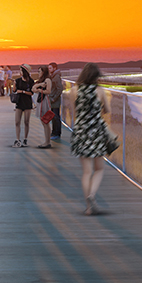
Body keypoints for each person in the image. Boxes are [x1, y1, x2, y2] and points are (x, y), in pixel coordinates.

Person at [70, 62, 113, 215]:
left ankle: (88, 208)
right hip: (96, 132)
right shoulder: (99, 91)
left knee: (86, 172)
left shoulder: (74, 90)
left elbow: (74, 112)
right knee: (99, 168)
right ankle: (92, 194)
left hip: (81, 132)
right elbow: (107, 110)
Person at [12, 64, 35, 147]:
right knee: (17, 122)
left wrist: (22, 92)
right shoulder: (18, 80)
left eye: (21, 71)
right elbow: (14, 90)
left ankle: (25, 139)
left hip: (27, 103)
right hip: (19, 103)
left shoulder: (31, 81)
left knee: (26, 122)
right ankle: (18, 139)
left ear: (24, 72)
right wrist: (14, 84)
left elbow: (31, 93)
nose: (20, 72)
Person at [32, 66, 53, 148]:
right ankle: (46, 141)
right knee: (43, 121)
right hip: (41, 101)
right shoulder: (41, 81)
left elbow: (48, 91)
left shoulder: (47, 80)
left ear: (43, 72)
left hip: (44, 101)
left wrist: (39, 90)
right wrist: (40, 85)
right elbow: (33, 88)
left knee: (45, 122)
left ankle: (47, 142)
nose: (38, 73)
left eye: (39, 71)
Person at [48, 62, 64, 140]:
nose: (49, 69)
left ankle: (57, 133)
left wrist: (54, 98)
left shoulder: (56, 77)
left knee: (56, 117)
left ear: (54, 68)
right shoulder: (53, 76)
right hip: (52, 100)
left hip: (55, 100)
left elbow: (60, 88)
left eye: (50, 68)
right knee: (53, 116)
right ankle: (54, 132)